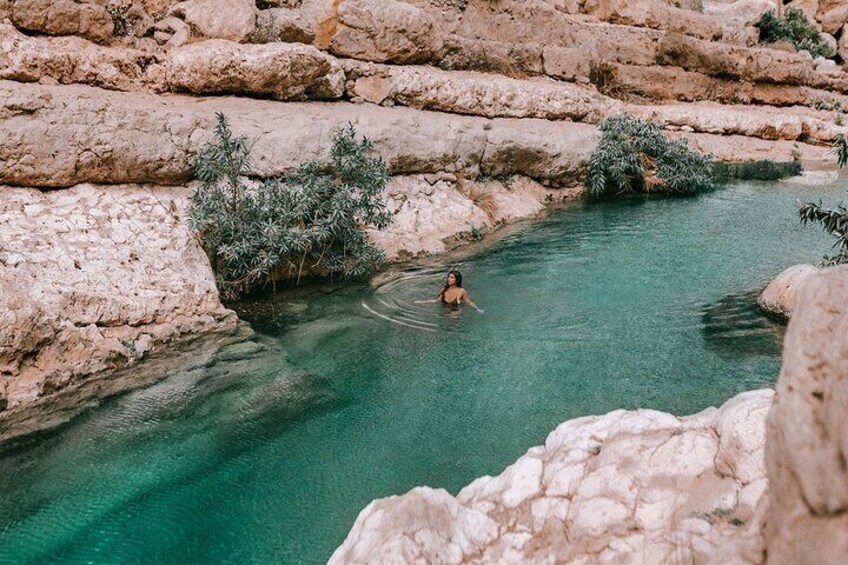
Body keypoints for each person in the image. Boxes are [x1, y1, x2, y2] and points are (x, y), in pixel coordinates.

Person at [415, 270, 483, 313]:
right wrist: (421, 302)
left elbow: (469, 302)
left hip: (456, 312)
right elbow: (435, 301)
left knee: (452, 317)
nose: (448, 279)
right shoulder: (444, 289)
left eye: (451, 277)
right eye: (448, 277)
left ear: (457, 280)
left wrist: (477, 309)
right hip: (445, 311)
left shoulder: (461, 291)